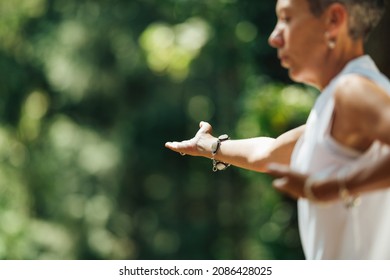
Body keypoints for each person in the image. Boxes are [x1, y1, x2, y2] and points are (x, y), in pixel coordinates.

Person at [165, 0, 390, 259]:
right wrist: (209, 145)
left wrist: (334, 187)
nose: (274, 37)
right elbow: (270, 152)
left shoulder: (353, 90)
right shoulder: (337, 105)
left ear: (334, 20)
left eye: (287, 19)